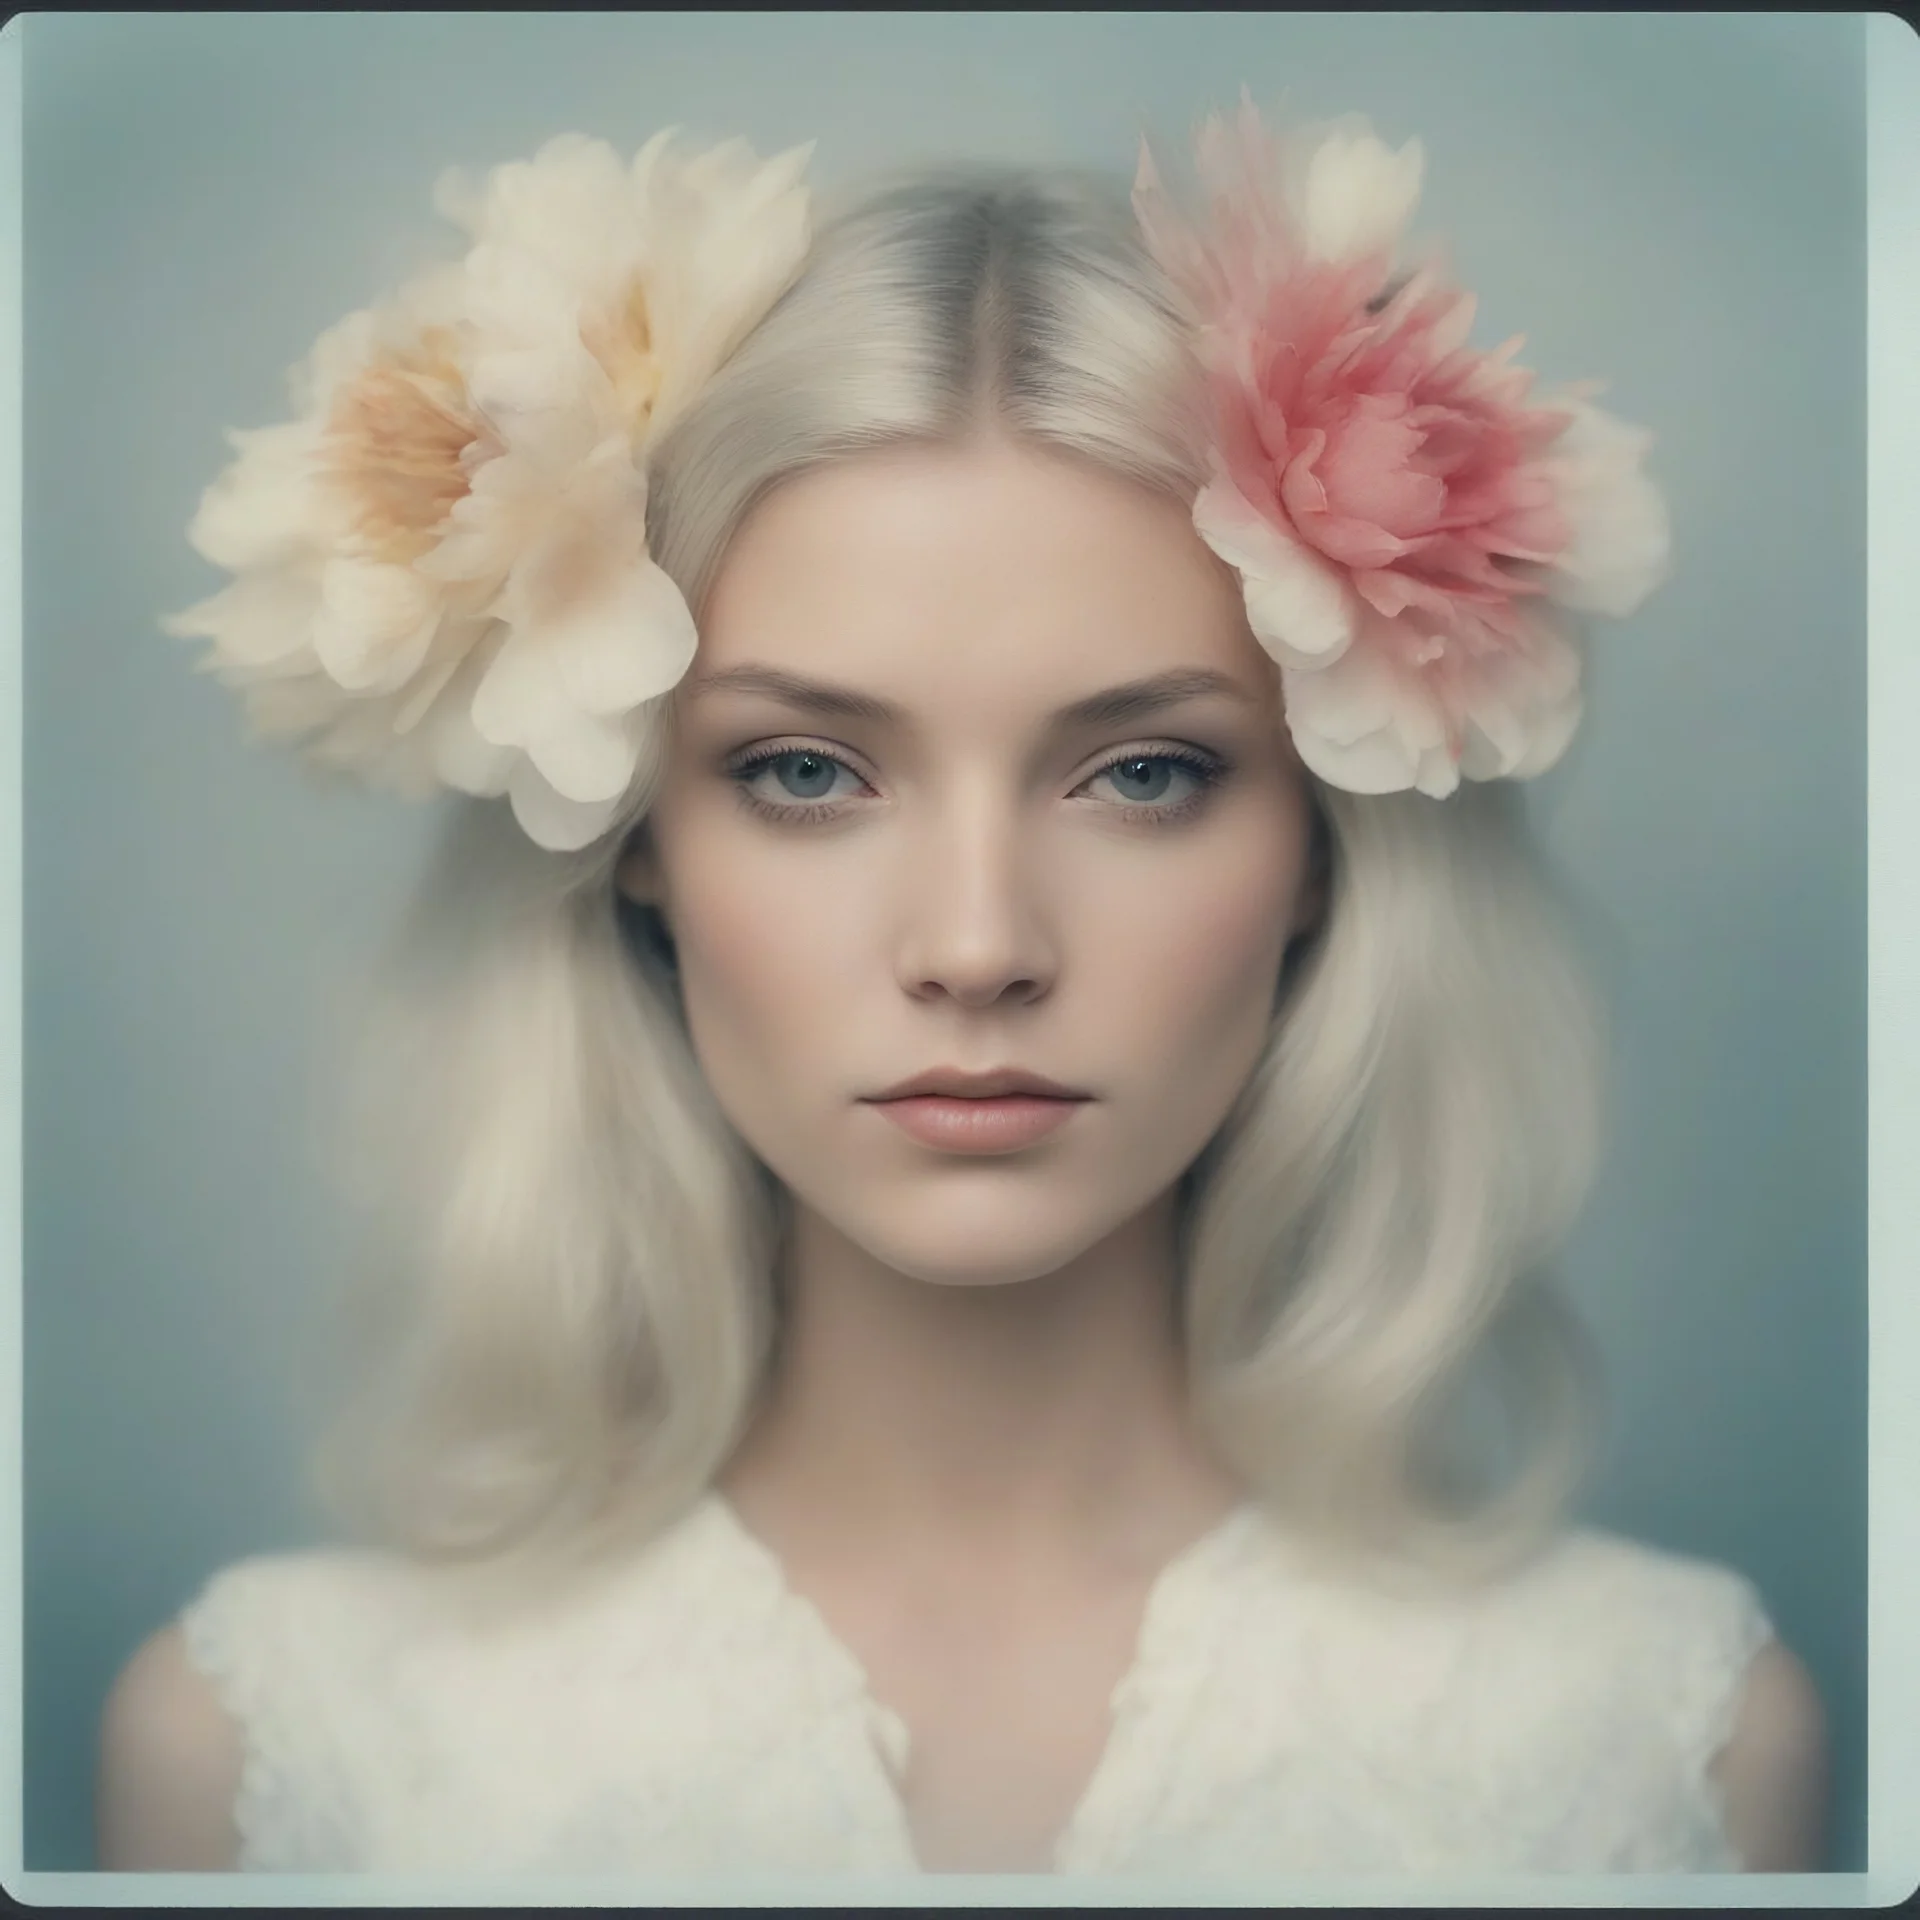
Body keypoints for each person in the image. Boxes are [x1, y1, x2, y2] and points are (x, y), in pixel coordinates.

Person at [95, 105, 1829, 1876]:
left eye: (1145, 773)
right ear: (632, 836)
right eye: (805, 773)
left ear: (1325, 839)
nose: (980, 942)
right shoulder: (262, 1753)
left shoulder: (1666, 1739)